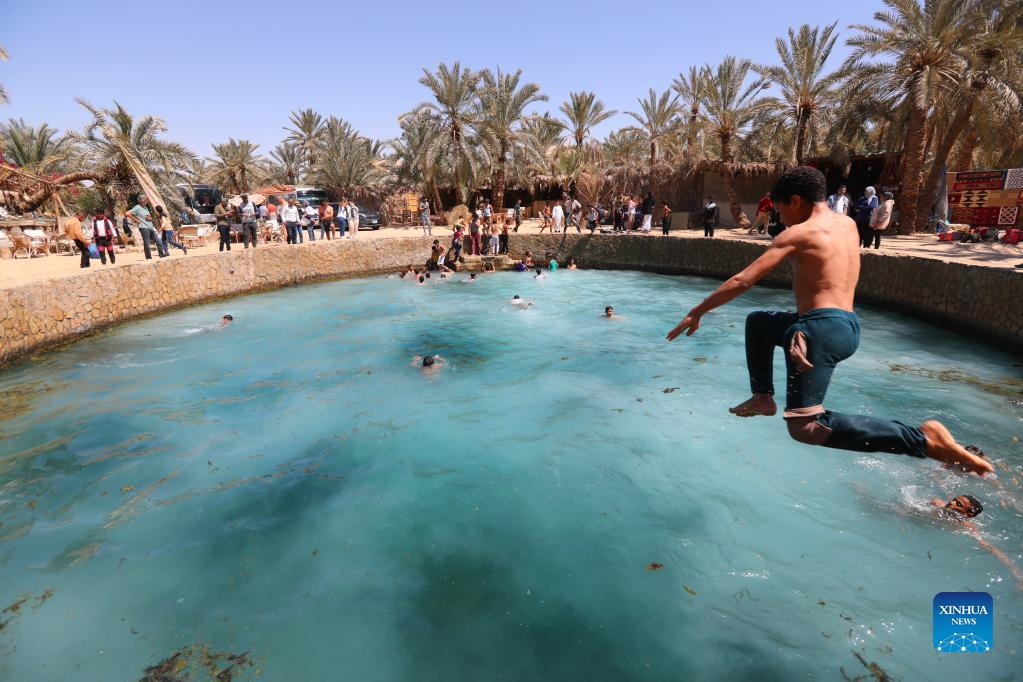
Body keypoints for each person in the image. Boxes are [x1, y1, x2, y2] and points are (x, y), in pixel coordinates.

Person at [666, 165, 992, 476]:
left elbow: (743, 280)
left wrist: (697, 312)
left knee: (806, 427)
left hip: (818, 331)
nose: (780, 218)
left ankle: (923, 441)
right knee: (759, 322)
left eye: (780, 210)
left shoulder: (796, 234)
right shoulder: (848, 224)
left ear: (795, 201)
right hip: (846, 325)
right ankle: (762, 396)